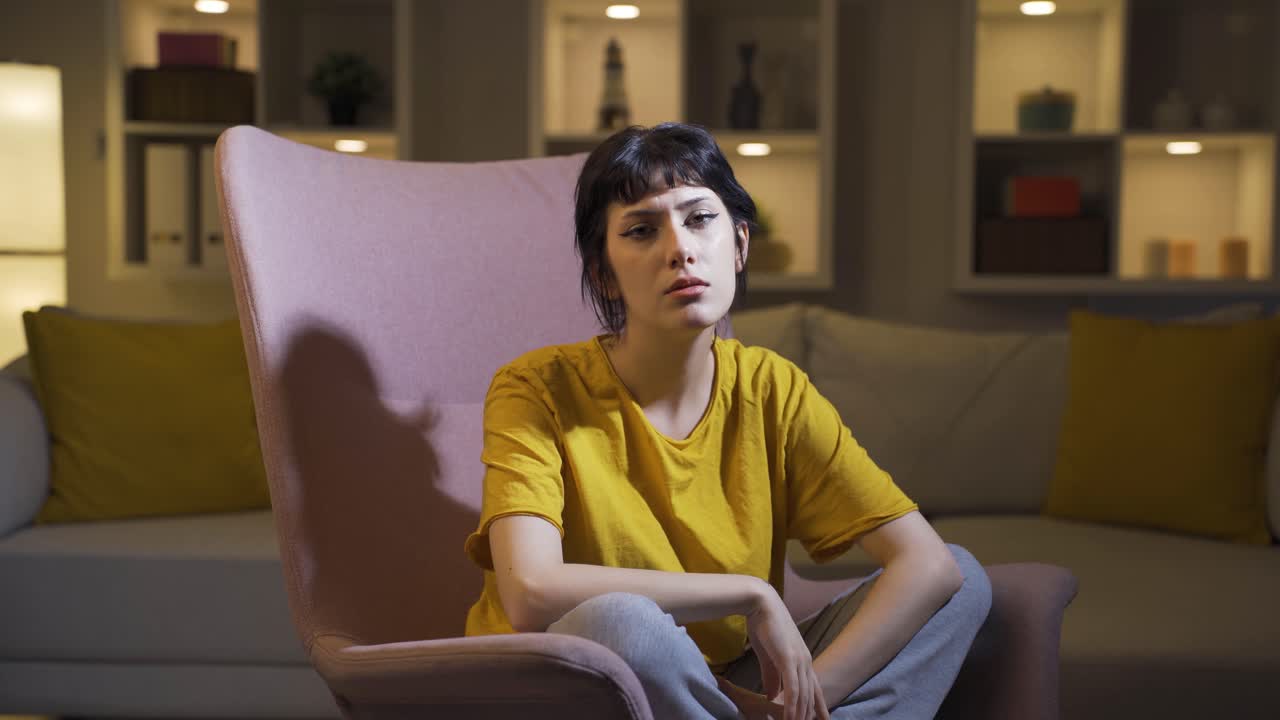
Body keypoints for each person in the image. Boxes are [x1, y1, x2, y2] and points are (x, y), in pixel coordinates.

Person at [463, 122, 991, 720]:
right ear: (605, 272)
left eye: (699, 219)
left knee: (962, 580)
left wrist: (805, 698)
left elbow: (926, 563)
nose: (679, 249)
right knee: (624, 619)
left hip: (723, 687)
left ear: (738, 244)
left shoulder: (772, 389)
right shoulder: (536, 388)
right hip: (570, 682)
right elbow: (531, 594)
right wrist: (752, 594)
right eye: (641, 230)